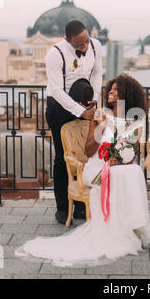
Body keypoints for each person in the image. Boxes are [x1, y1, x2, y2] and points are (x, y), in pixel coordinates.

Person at [15, 74, 150, 267]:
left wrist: (120, 158)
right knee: (118, 174)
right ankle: (120, 230)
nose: (111, 92)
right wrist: (100, 129)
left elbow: (133, 149)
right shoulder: (99, 115)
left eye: (115, 89)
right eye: (110, 89)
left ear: (127, 94)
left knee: (134, 172)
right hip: (97, 167)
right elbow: (88, 151)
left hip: (121, 165)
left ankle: (133, 228)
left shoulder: (135, 120)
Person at [45, 20, 103, 224]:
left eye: (86, 41)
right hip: (59, 108)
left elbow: (97, 73)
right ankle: (62, 207)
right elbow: (56, 90)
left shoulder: (96, 45)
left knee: (85, 153)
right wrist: (79, 111)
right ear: (67, 40)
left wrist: (93, 100)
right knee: (63, 156)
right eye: (79, 45)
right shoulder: (55, 54)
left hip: (85, 104)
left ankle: (80, 204)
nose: (85, 47)